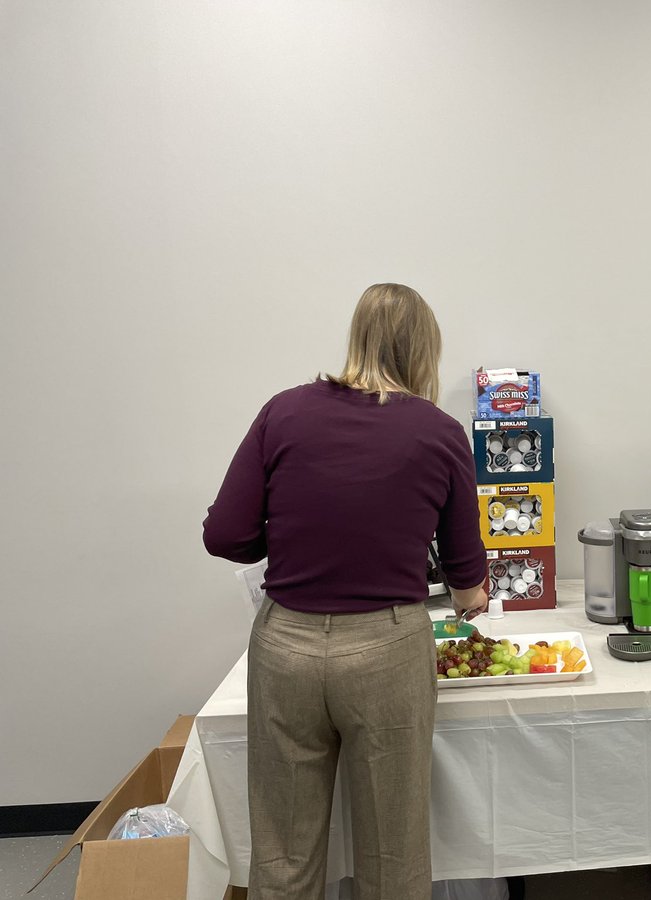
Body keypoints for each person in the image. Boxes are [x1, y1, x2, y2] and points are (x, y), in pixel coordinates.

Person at [203, 283, 488, 900]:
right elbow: (466, 570)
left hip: (286, 646)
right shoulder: (439, 432)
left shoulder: (283, 411)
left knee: (281, 853)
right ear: (424, 352)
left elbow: (225, 535)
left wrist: (294, 535)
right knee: (393, 853)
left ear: (356, 336)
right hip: (387, 650)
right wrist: (470, 600)